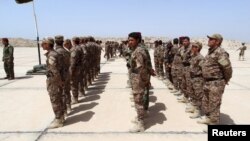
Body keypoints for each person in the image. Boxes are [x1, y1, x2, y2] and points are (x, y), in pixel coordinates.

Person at [198, 34, 232, 126]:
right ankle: (209, 118)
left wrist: (225, 80)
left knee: (214, 104)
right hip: (207, 81)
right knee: (206, 101)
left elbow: (227, 68)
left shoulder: (220, 53)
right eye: (209, 39)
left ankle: (214, 123)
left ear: (217, 41)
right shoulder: (210, 52)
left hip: (216, 82)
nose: (209, 40)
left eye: (211, 39)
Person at [128, 32, 149, 132]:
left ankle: (140, 124)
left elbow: (140, 68)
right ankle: (140, 117)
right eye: (129, 40)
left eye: (131, 40)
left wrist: (142, 81)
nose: (130, 42)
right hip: (137, 78)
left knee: (138, 100)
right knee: (138, 100)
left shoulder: (138, 51)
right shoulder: (136, 50)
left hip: (138, 79)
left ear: (137, 40)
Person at [41, 38, 64, 129]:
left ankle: (58, 120)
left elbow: (55, 71)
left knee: (55, 99)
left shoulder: (52, 55)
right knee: (59, 99)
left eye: (43, 43)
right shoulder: (55, 53)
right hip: (56, 80)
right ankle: (61, 117)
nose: (42, 45)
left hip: (54, 81)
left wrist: (59, 82)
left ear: (48, 44)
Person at [188, 41, 205, 119]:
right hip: (192, 77)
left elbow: (203, 69)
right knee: (192, 93)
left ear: (198, 48)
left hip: (198, 79)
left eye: (195, 47)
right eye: (192, 46)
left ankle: (198, 111)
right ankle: (194, 107)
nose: (192, 48)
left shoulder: (200, 58)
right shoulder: (193, 56)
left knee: (198, 95)